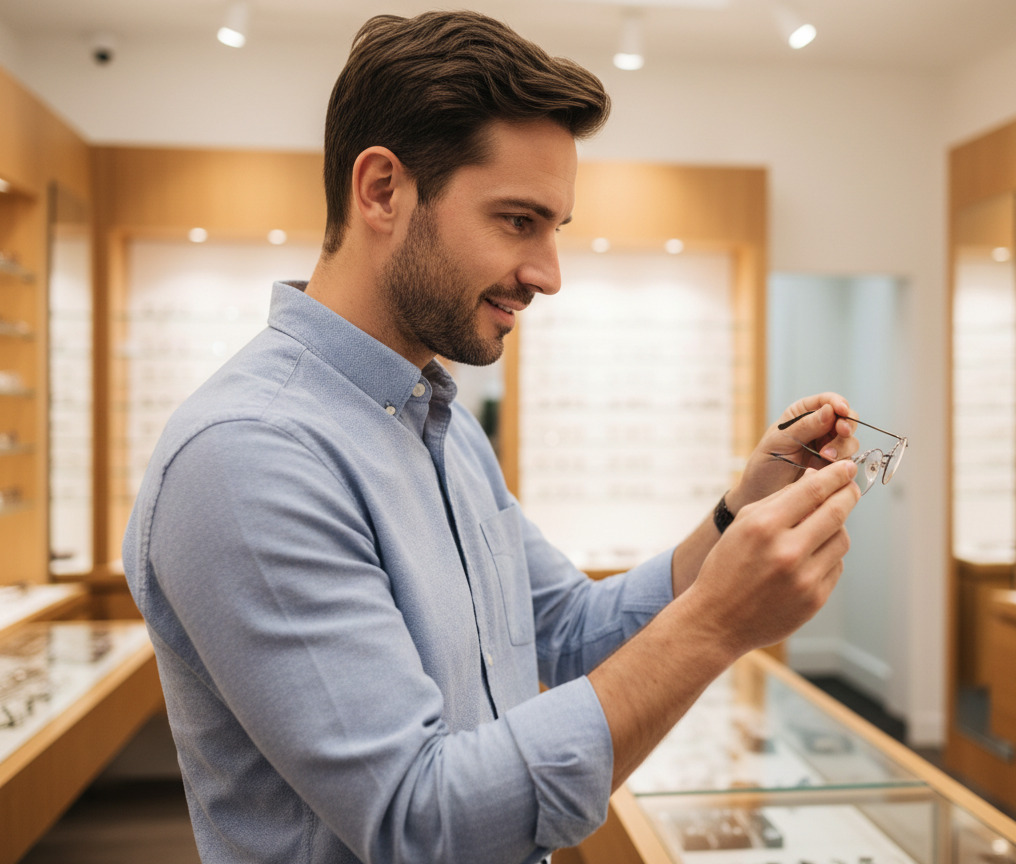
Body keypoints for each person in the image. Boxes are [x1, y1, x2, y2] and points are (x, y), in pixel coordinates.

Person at [122, 10, 862, 864]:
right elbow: (419, 820)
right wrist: (717, 625)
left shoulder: (439, 422)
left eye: (555, 229)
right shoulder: (247, 456)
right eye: (519, 221)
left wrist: (737, 514)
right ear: (382, 190)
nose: (549, 273)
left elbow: (574, 630)